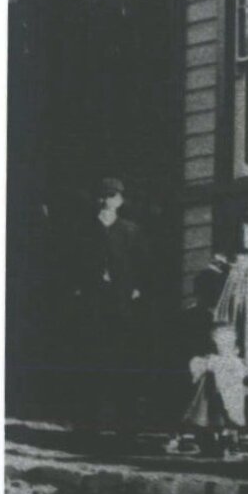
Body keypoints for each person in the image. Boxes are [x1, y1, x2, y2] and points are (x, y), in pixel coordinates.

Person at [182, 211, 248, 450]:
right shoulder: (228, 258)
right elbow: (208, 275)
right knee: (227, 363)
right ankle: (223, 426)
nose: (247, 238)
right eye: (243, 233)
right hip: (231, 313)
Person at [67, 177, 146, 440]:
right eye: (101, 196)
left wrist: (135, 289)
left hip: (122, 305)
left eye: (111, 196)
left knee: (124, 360)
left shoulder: (130, 230)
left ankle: (126, 424)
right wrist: (78, 289)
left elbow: (142, 265)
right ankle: (88, 424)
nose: (105, 201)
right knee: (91, 360)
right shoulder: (83, 229)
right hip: (92, 303)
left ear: (120, 200)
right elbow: (71, 264)